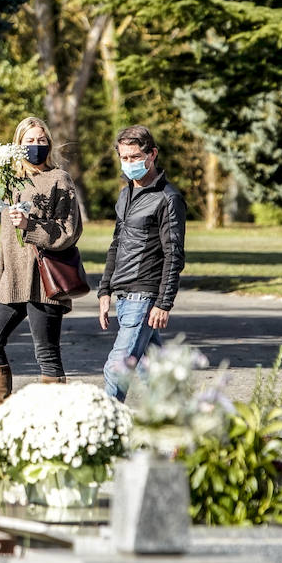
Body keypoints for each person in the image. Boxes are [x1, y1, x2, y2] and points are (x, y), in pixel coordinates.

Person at [0, 116, 83, 416]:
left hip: (44, 277)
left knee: (46, 353)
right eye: (29, 141)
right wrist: (0, 276)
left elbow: (69, 231)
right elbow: (6, 238)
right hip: (12, 278)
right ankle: (2, 421)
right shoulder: (9, 180)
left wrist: (31, 225)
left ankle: (53, 425)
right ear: (18, 145)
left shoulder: (59, 179)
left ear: (48, 143)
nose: (36, 146)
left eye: (41, 140)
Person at [97, 125, 187, 401]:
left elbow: (174, 254)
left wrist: (163, 302)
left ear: (152, 154)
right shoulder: (126, 194)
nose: (130, 163)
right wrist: (104, 291)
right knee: (155, 375)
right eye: (125, 158)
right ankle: (179, 433)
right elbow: (117, 243)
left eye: (136, 157)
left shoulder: (168, 198)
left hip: (144, 296)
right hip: (123, 295)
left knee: (117, 367)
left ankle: (105, 435)